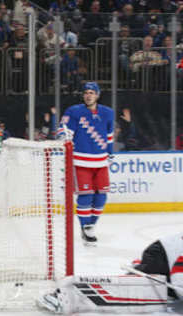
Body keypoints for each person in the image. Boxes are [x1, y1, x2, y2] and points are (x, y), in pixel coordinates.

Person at [37, 231, 183, 314]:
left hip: (169, 259)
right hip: (160, 255)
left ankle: (139, 267)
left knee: (159, 290)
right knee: (137, 288)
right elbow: (179, 277)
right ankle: (64, 294)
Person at [57, 82, 114, 246]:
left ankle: (90, 226)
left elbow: (109, 136)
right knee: (86, 195)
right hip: (80, 160)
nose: (88, 95)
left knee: (101, 197)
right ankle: (86, 227)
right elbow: (64, 130)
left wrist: (110, 153)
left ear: (97, 95)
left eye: (91, 92)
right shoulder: (74, 111)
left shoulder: (108, 112)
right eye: (86, 92)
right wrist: (64, 136)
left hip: (101, 161)